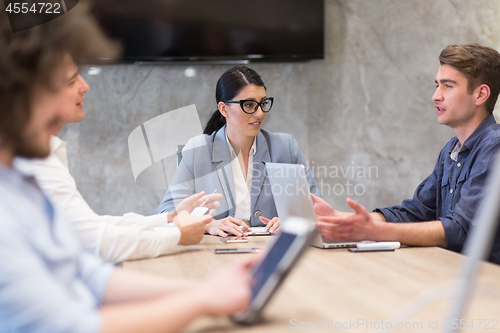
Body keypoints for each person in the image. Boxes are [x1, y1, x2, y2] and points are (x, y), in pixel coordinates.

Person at [0, 8, 254, 332]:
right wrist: (200, 299)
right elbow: (69, 324)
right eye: (64, 81)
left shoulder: (21, 182)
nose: (84, 87)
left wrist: (206, 290)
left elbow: (85, 273)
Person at [14, 54, 222, 263]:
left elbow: (91, 225)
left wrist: (169, 219)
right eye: (71, 81)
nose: (85, 86)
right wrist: (177, 233)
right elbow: (96, 241)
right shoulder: (34, 161)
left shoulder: (45, 153)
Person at [313, 44, 500, 264]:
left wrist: (374, 232)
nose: (435, 96)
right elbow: (415, 212)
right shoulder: (450, 150)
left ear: (481, 94)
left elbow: (460, 230)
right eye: (437, 85)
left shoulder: (494, 147)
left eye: (447, 86)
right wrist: (339, 217)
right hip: (451, 275)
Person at [156, 66, 321, 237]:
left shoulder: (285, 147)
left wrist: (293, 219)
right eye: (249, 105)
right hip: (214, 253)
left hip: (270, 249)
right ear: (224, 109)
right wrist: (208, 224)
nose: (259, 113)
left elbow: (318, 209)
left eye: (263, 103)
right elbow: (166, 214)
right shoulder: (199, 151)